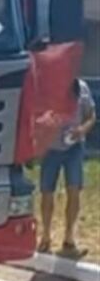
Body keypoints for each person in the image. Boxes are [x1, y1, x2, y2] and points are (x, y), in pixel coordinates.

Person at [39, 78, 96, 255]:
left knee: (74, 190)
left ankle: (69, 237)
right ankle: (46, 235)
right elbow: (36, 116)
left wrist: (82, 130)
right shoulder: (49, 87)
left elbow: (91, 116)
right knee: (47, 192)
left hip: (74, 147)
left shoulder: (82, 87)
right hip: (51, 147)